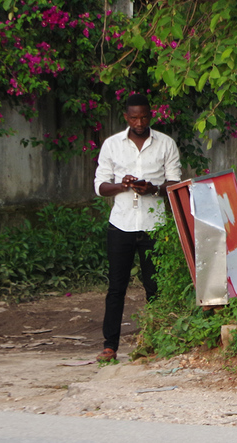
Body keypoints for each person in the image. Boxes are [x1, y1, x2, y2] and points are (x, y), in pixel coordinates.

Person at [94, 93, 181, 361]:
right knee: (116, 288)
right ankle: (110, 346)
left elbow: (175, 185)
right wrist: (123, 185)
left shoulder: (166, 144)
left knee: (155, 286)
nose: (139, 122)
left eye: (144, 117)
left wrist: (152, 189)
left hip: (154, 226)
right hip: (120, 225)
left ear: (150, 115)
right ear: (126, 117)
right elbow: (100, 186)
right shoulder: (112, 145)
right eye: (134, 118)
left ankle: (155, 342)